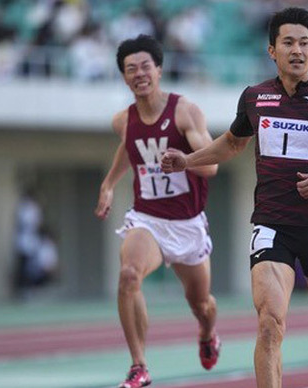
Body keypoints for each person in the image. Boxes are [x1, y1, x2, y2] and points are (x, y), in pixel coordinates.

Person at [162, 7, 308, 387]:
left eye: (305, 43)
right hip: (272, 226)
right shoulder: (255, 97)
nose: (298, 50)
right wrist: (187, 160)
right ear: (271, 50)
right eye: (289, 42)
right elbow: (231, 143)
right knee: (269, 325)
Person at [95, 34, 220, 388]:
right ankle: (139, 366)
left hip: (188, 224)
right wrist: (107, 184)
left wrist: (184, 161)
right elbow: (128, 148)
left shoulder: (185, 111)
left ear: (159, 69)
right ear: (123, 76)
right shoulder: (123, 120)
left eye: (145, 66)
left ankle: (208, 332)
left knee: (201, 304)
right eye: (130, 69)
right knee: (129, 275)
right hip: (147, 219)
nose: (139, 73)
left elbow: (211, 167)